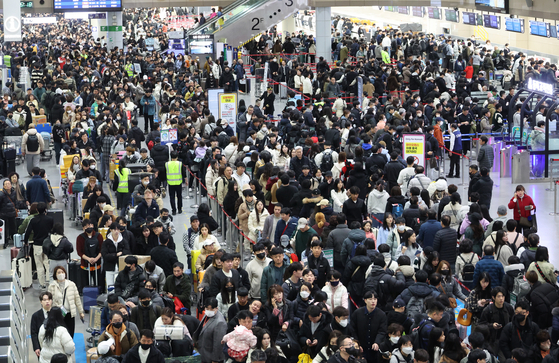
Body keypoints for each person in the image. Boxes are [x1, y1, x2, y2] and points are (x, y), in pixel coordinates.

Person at [350, 290, 387, 363]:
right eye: (370, 299)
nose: (373, 301)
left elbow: (382, 331)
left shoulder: (382, 315)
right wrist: (357, 343)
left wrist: (377, 342)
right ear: (365, 300)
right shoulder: (357, 313)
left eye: (375, 299)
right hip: (361, 348)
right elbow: (352, 329)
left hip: (374, 349)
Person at [48, 265, 85, 338]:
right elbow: (49, 300)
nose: (61, 274)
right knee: (59, 334)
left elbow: (77, 299)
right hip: (58, 314)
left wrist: (81, 312)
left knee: (70, 333)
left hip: (69, 313)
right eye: (58, 272)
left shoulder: (71, 284)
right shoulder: (52, 286)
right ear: (55, 275)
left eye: (62, 272)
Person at [24, 202, 53, 288]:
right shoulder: (50, 219)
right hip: (47, 244)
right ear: (45, 210)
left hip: (37, 245)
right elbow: (52, 231)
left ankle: (42, 284)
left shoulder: (33, 220)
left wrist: (26, 241)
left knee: (39, 265)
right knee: (47, 263)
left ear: (36, 210)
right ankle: (49, 281)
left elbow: (27, 232)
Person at [478, 286, 514, 351]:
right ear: (493, 297)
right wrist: (492, 326)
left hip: (505, 339)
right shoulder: (488, 310)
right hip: (492, 340)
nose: (501, 298)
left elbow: (513, 322)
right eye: (499, 296)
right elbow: (481, 325)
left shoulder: (509, 308)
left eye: (503, 296)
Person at [193, 297, 228, 363]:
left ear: (216, 308)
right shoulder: (206, 314)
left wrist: (215, 360)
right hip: (203, 352)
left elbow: (218, 344)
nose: (209, 310)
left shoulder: (220, 322)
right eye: (207, 308)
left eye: (212, 309)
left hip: (211, 357)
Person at [31, 291, 53, 359]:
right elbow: (34, 333)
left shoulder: (56, 314)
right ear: (41, 301)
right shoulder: (36, 316)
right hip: (42, 347)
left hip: (54, 346)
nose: (47, 302)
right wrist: (36, 347)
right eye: (45, 300)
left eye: (49, 299)